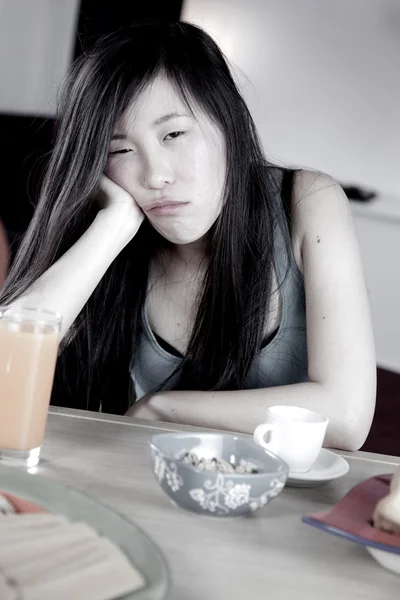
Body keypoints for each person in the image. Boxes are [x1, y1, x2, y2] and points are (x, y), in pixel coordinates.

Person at [0, 22, 376, 451]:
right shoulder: (117, 225)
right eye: (120, 149)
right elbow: (5, 375)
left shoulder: (307, 200)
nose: (155, 176)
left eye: (174, 134)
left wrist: (161, 409)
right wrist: (113, 225)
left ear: (227, 124)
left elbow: (347, 417)